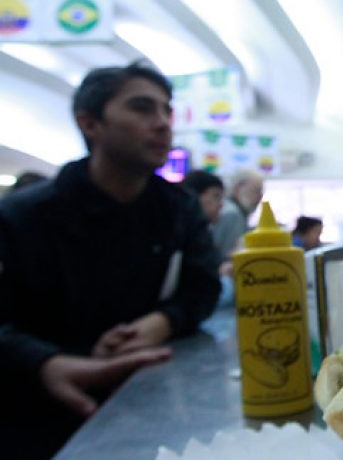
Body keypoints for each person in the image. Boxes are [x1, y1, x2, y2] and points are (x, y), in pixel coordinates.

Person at [0, 62, 221, 459]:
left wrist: (161, 322)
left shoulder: (178, 208)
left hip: (153, 404)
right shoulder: (21, 217)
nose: (162, 123)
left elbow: (203, 284)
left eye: (166, 111)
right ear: (90, 124)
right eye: (142, 108)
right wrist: (46, 363)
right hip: (41, 415)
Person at [210, 169, 264, 261]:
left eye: (261, 192)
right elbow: (230, 256)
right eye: (256, 190)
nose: (260, 197)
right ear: (238, 189)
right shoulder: (233, 215)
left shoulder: (232, 211)